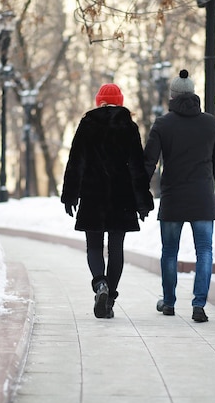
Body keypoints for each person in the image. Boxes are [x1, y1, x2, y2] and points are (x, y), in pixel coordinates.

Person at [61, 83, 154, 319]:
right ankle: (110, 298)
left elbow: (76, 162)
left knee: (93, 245)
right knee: (116, 249)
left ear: (98, 101)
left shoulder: (87, 124)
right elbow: (136, 166)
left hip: (93, 195)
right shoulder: (128, 127)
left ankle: (99, 284)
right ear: (120, 101)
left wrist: (70, 194)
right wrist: (142, 201)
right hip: (121, 197)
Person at [144, 69, 215, 323]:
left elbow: (149, 161)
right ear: (193, 94)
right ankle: (198, 305)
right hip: (202, 197)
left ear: (172, 96)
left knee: (169, 251)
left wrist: (140, 188)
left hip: (173, 197)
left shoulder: (163, 124)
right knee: (205, 250)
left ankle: (168, 302)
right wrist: (207, 181)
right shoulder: (210, 122)